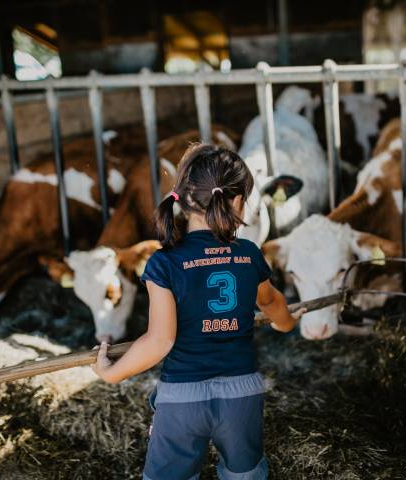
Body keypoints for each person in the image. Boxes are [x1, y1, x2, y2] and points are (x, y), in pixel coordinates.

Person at [92, 143, 306, 480]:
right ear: (236, 202)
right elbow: (271, 304)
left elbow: (160, 340)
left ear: (184, 199)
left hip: (181, 398)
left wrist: (112, 372)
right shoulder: (249, 253)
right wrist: (287, 322)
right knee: (245, 475)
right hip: (242, 395)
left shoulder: (164, 262)